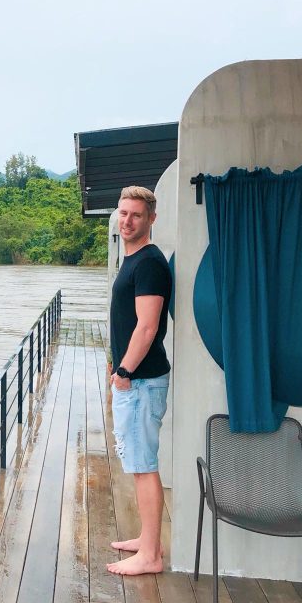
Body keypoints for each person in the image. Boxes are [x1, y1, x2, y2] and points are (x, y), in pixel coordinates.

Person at [106, 186, 172, 577]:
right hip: (137, 380)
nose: (127, 220)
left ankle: (150, 556)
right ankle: (147, 540)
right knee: (138, 463)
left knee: (144, 465)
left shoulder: (149, 263)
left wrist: (124, 372)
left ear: (151, 219)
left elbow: (147, 327)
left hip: (142, 381)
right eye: (123, 213)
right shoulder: (135, 259)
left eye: (136, 214)